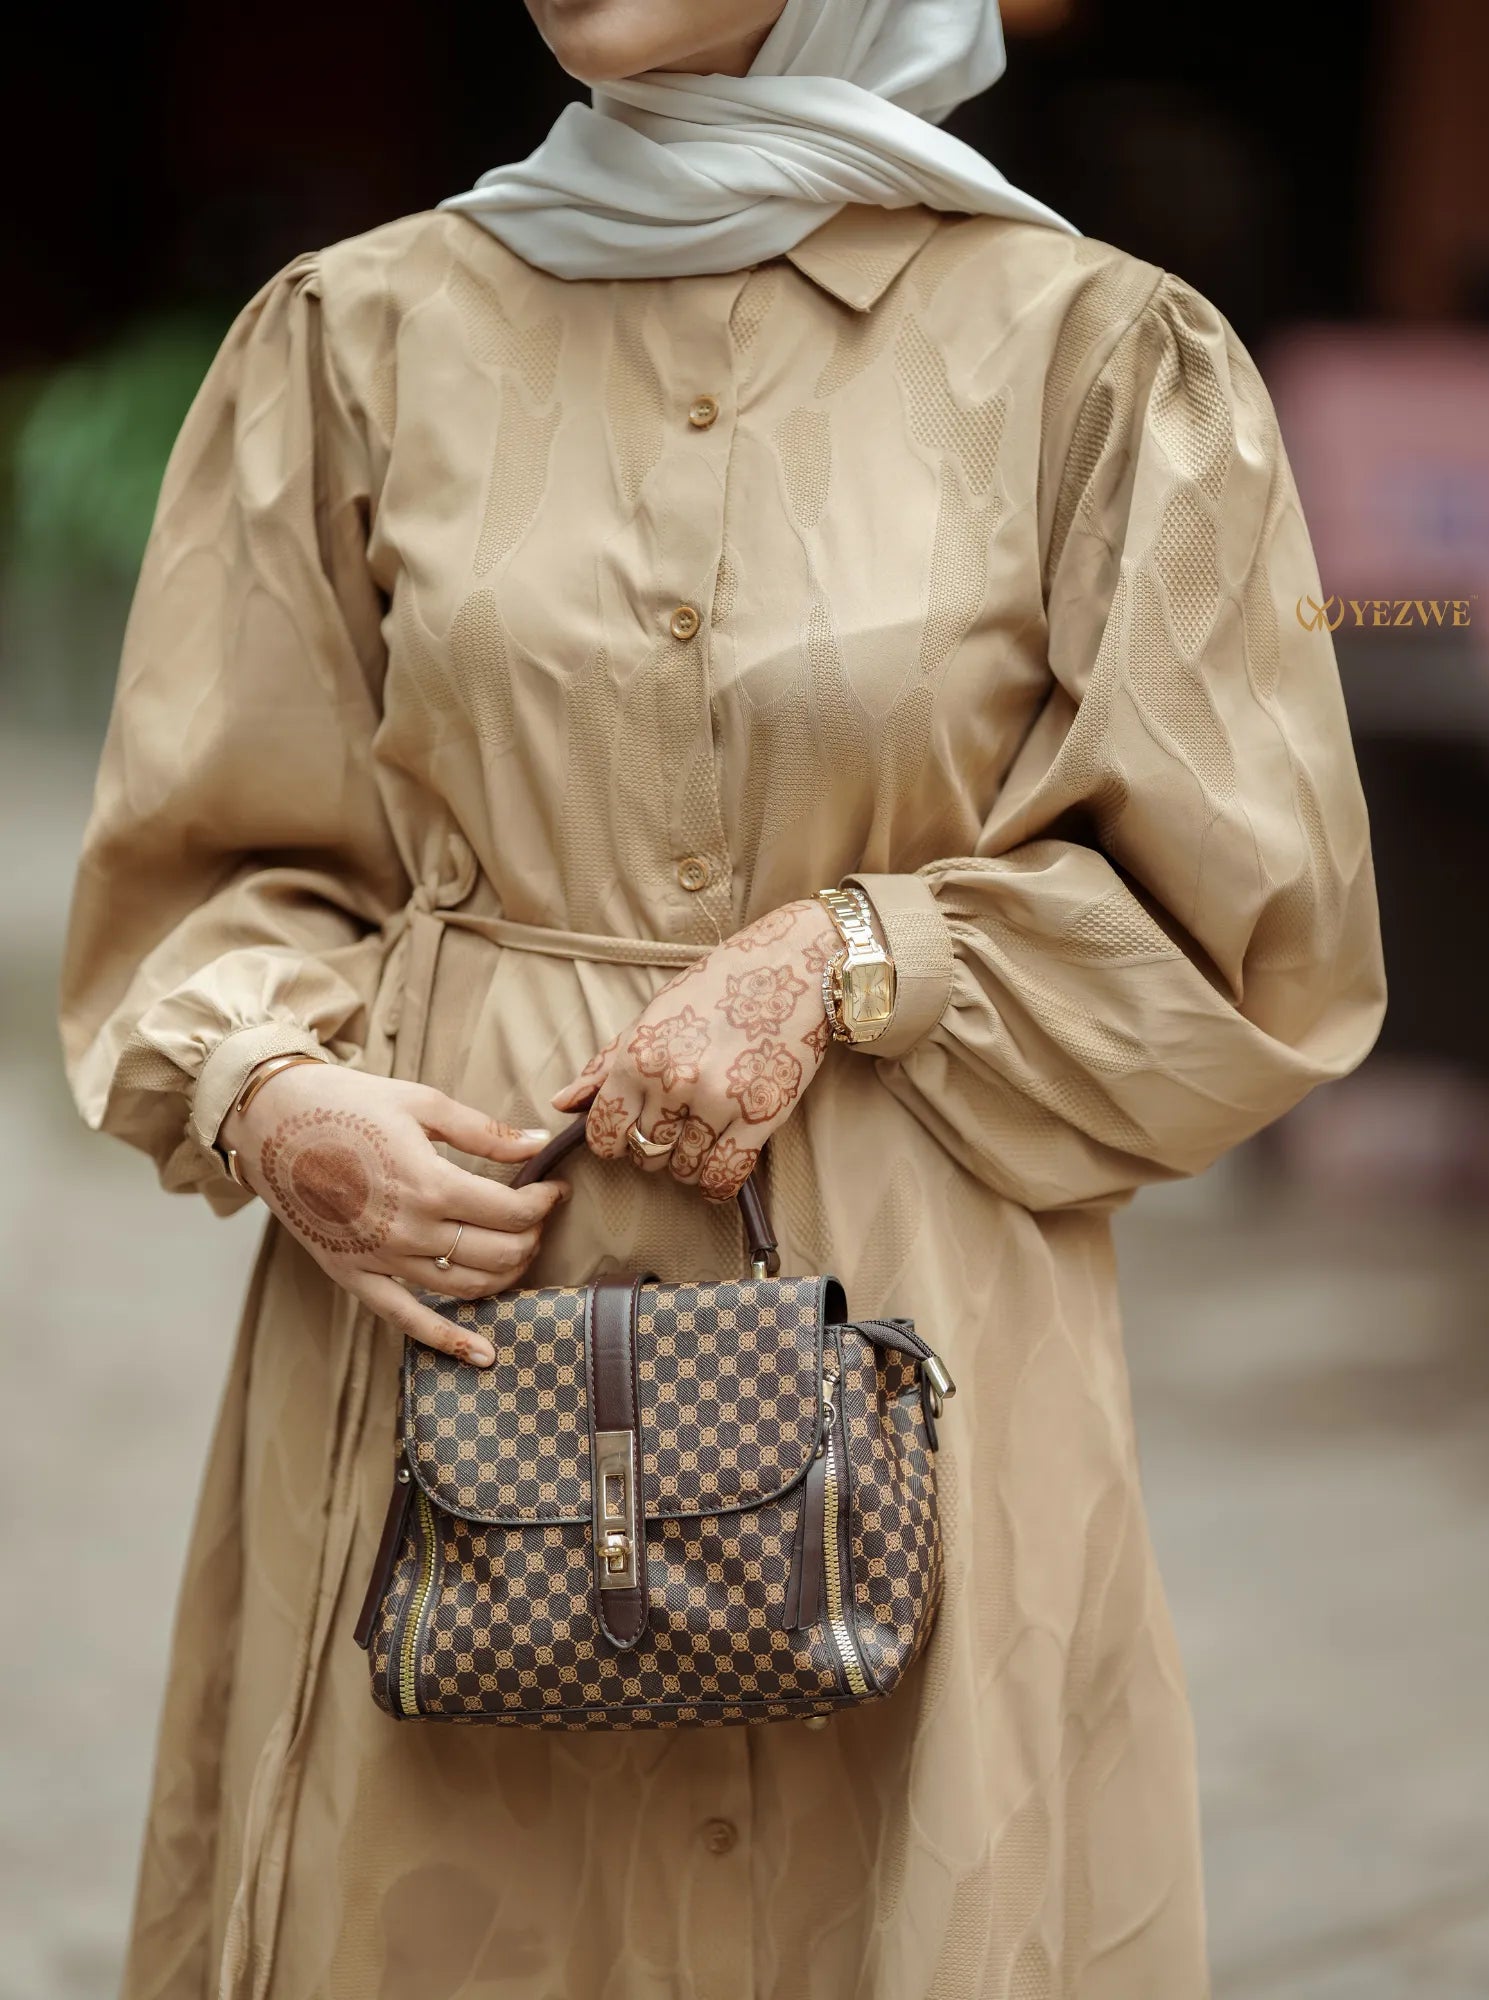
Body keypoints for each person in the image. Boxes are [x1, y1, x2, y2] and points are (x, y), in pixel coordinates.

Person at [58, 1, 1386, 1994]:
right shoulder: (352, 341)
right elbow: (206, 859)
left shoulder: (1102, 363)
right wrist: (266, 1089)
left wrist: (855, 953)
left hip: (908, 1359)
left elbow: (1255, 931)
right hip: (448, 1369)